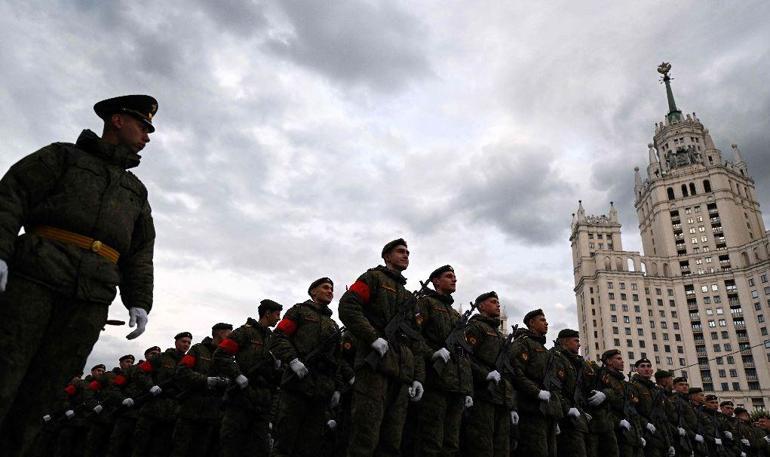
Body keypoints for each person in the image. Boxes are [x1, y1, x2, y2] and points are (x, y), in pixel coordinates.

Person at [0, 95, 158, 455]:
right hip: (34, 278)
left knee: (44, 392)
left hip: (90, 297)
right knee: (5, 369)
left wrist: (139, 301)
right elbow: (11, 196)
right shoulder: (62, 157)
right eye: (144, 127)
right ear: (118, 121)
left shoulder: (136, 190)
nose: (148, 137)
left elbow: (140, 251)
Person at [338, 238, 426, 457]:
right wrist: (372, 337)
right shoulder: (372, 278)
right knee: (365, 435)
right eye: (400, 251)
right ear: (387, 256)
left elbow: (416, 340)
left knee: (392, 440)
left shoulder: (409, 296)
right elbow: (347, 307)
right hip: (374, 368)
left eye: (408, 252)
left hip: (402, 373)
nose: (406, 255)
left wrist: (418, 377)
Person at [270, 277, 345, 457]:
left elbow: (338, 359)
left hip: (321, 391)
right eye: (325, 287)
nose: (330, 291)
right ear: (313, 292)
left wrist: (337, 388)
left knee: (310, 446)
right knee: (285, 442)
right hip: (296, 386)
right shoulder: (299, 312)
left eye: (332, 289)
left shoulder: (333, 325)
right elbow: (279, 337)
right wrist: (293, 360)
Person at [412, 265, 473, 457]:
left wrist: (467, 389)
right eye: (449, 276)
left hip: (457, 387)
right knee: (431, 440)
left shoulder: (456, 314)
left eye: (455, 277)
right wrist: (432, 353)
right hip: (435, 382)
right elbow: (414, 337)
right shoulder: (426, 303)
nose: (454, 279)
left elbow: (463, 354)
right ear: (436, 281)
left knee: (451, 443)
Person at [213, 299, 283, 457]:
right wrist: (236, 375)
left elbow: (277, 375)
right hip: (241, 399)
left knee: (259, 448)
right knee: (231, 445)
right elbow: (221, 355)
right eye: (277, 315)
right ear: (267, 313)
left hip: (263, 402)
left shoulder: (273, 339)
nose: (279, 319)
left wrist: (278, 367)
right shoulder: (244, 332)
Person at [462, 291, 514, 457]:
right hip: (482, 395)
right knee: (482, 446)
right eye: (493, 302)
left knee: (502, 448)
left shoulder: (499, 334)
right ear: (482, 306)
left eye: (498, 302)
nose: (498, 304)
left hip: (501, 399)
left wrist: (511, 404)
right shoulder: (475, 327)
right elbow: (463, 355)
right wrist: (484, 374)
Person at [171, 322, 233, 457]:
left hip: (211, 413)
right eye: (229, 334)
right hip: (190, 410)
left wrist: (227, 382)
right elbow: (182, 372)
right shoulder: (198, 350)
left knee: (200, 451)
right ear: (220, 334)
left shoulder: (227, 356)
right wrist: (206, 380)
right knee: (180, 449)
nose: (232, 337)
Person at [510, 308, 564, 457]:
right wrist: (536, 392)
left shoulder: (545, 350)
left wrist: (555, 414)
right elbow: (516, 372)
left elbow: (552, 384)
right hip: (530, 408)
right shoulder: (523, 343)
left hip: (548, 412)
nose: (546, 323)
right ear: (531, 323)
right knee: (535, 451)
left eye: (546, 320)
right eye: (542, 320)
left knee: (551, 452)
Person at [131, 331, 192, 457]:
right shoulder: (161, 358)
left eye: (189, 343)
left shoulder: (189, 362)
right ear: (176, 342)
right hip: (152, 408)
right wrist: (150, 386)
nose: (186, 344)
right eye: (183, 341)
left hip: (173, 411)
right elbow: (139, 372)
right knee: (140, 446)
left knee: (160, 448)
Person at [552, 329, 592, 457]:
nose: (579, 344)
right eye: (576, 341)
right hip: (565, 418)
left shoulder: (576, 361)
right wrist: (567, 409)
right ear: (565, 342)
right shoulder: (557, 357)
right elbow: (554, 388)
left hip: (578, 418)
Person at [596, 350, 643, 457]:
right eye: (618, 359)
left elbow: (631, 410)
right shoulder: (603, 376)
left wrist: (639, 434)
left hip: (630, 432)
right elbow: (604, 408)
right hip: (613, 431)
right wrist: (618, 422)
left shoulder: (623, 383)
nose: (622, 362)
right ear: (608, 361)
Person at [629, 359, 674, 457]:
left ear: (652, 371)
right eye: (643, 366)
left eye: (648, 366)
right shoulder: (633, 386)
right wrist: (645, 424)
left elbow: (664, 416)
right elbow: (632, 410)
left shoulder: (655, 390)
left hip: (661, 436)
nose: (646, 369)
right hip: (646, 433)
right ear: (637, 369)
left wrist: (669, 443)